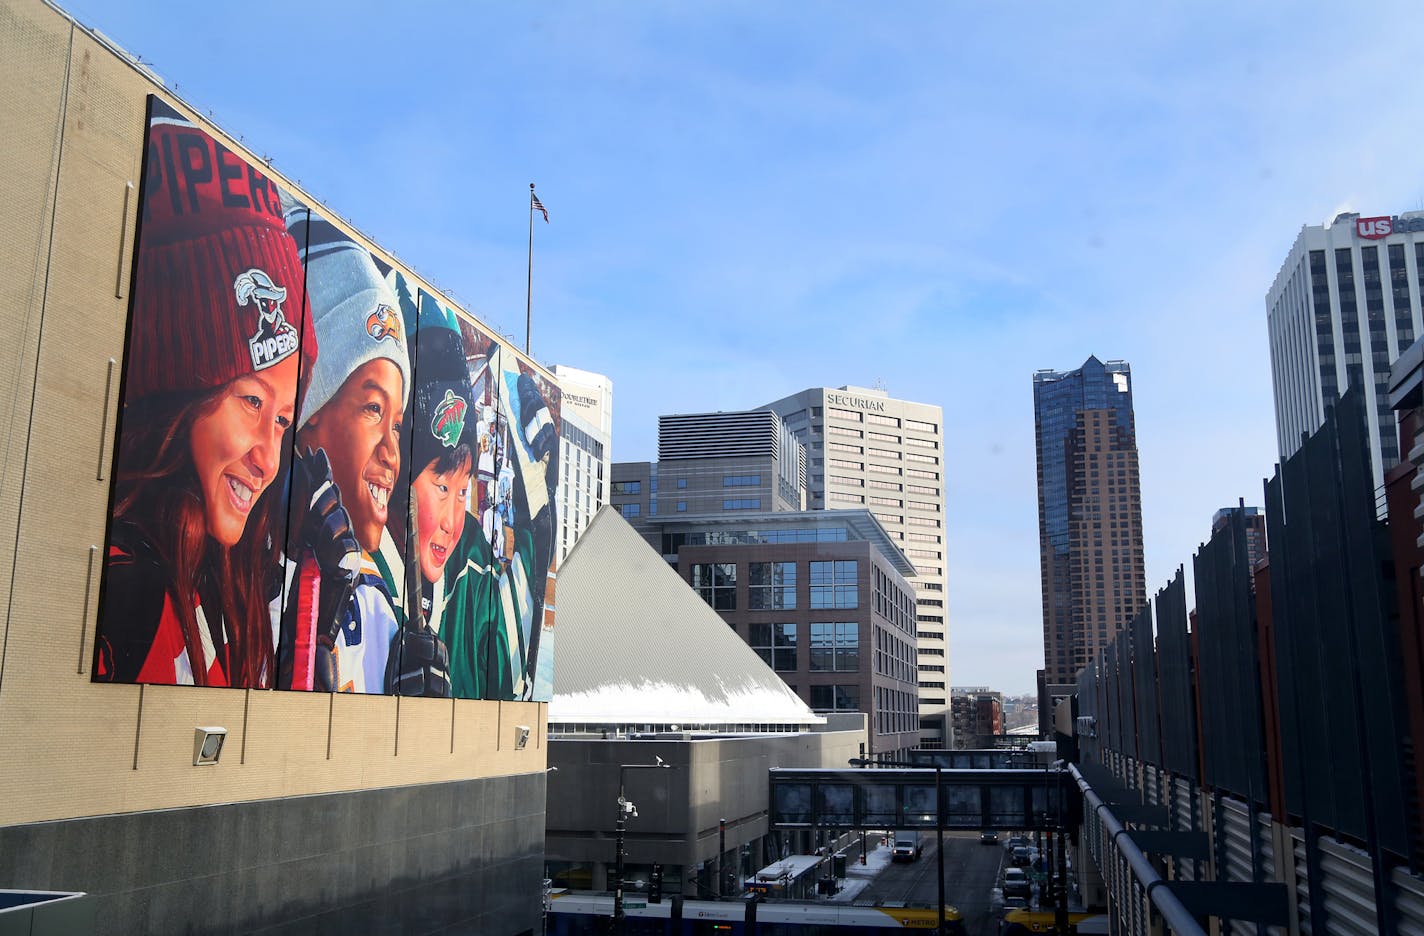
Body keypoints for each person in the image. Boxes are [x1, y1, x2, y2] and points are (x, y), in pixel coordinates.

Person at [94, 110, 316, 688]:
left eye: (284, 420)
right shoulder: (125, 597)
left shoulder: (222, 578)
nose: (269, 457)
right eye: (250, 400)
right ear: (179, 380)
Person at [283, 210, 413, 694]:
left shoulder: (375, 603)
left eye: (397, 424)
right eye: (373, 409)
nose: (393, 452)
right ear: (313, 408)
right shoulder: (226, 570)